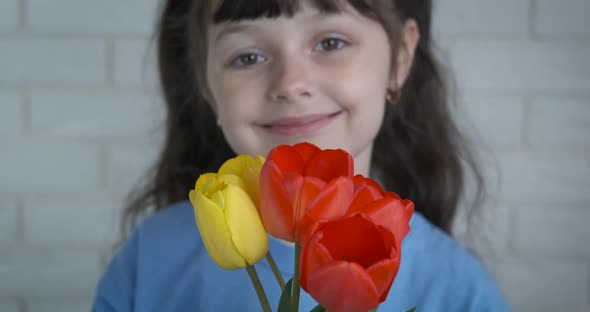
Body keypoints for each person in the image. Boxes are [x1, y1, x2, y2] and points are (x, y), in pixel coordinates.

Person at [93, 0, 510, 311]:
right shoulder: (147, 263)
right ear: (206, 86)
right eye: (247, 57)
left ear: (400, 59)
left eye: (331, 42)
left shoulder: (459, 291)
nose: (291, 83)